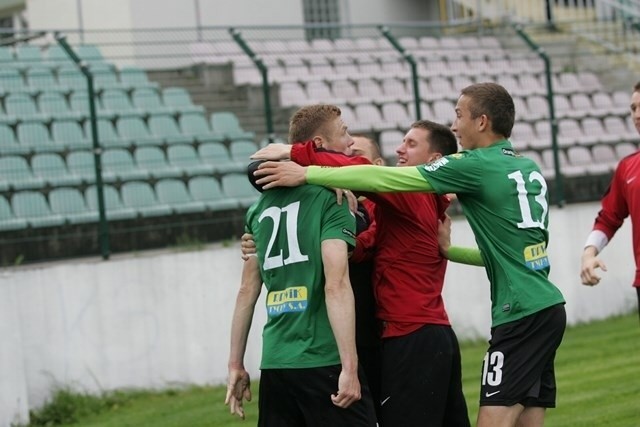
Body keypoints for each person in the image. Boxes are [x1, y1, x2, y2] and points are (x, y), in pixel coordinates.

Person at [252, 82, 567, 427]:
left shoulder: (464, 169)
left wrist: (304, 165)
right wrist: (449, 250)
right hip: (544, 308)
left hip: (493, 318)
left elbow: (379, 178)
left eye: (459, 115)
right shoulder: (525, 167)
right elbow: (513, 254)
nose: (454, 125)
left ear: (481, 122)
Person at [252, 121, 472, 427]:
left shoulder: (412, 194)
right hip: (427, 334)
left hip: (410, 335)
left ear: (434, 159)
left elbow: (362, 173)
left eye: (410, 144)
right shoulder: (397, 208)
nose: (399, 148)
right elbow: (365, 244)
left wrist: (300, 159)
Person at [226, 110, 377, 426]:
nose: (350, 140)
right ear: (321, 142)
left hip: (276, 362)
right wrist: (349, 368)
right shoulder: (331, 199)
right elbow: (336, 285)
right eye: (345, 131)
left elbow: (246, 291)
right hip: (322, 359)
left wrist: (235, 365)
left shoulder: (258, 209)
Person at [580, 81, 640, 321]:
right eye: (633, 108)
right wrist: (589, 253)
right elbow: (608, 218)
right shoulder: (628, 168)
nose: (637, 114)